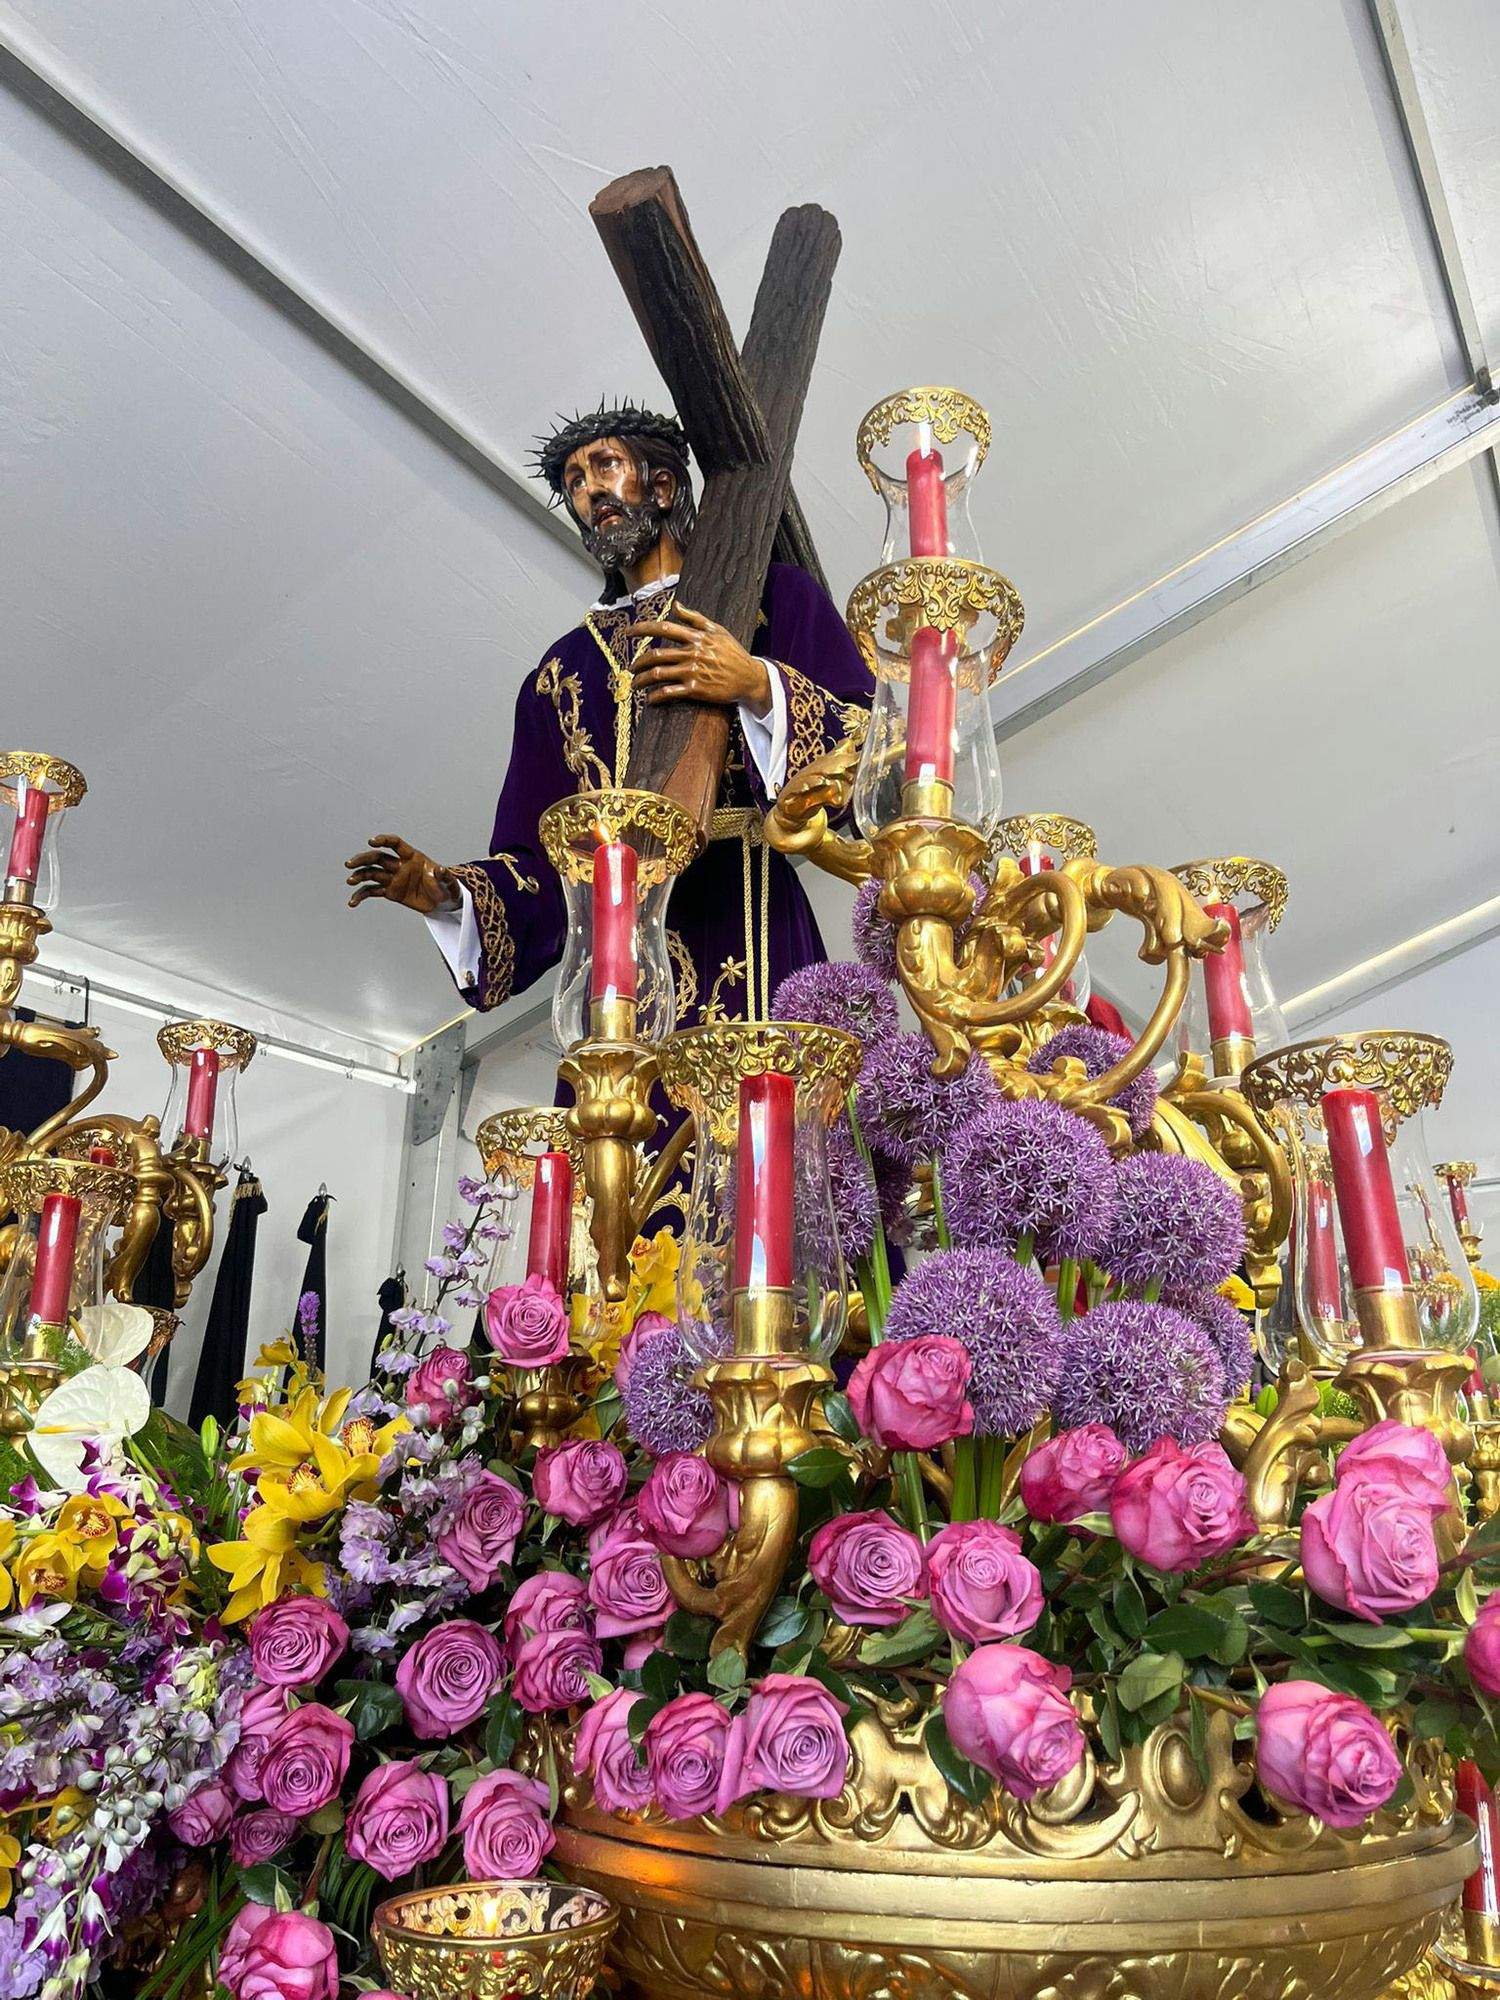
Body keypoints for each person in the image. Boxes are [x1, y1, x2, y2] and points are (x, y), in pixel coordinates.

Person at [346, 404, 872, 1024]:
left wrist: (756, 683)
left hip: (752, 920)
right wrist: (446, 896)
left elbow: (868, 745)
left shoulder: (771, 599)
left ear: (663, 484)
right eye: (573, 482)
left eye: (606, 465)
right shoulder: (557, 676)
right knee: (621, 1114)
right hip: (619, 973)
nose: (590, 490)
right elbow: (538, 860)